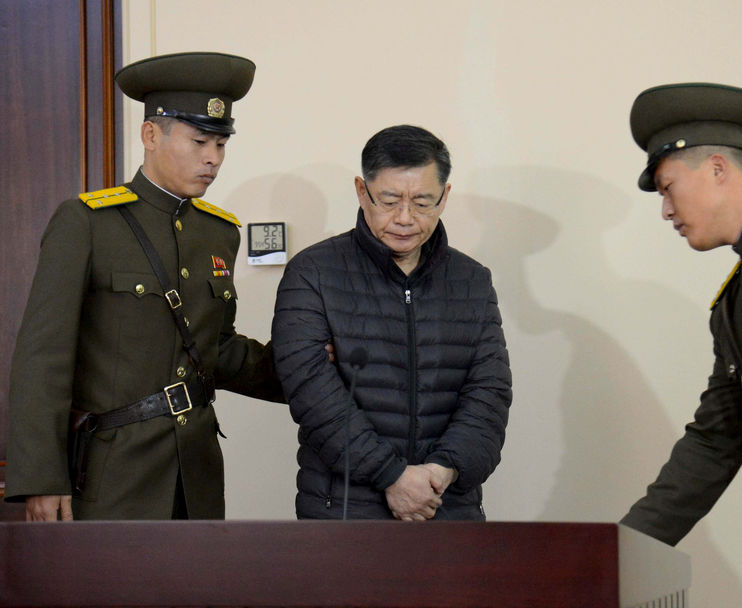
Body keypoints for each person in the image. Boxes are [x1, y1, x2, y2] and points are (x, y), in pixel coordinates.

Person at [4, 52, 286, 521]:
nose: (212, 159)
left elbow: (217, 350)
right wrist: (42, 478)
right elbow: (43, 357)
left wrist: (308, 367)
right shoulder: (87, 222)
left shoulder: (218, 233)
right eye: (199, 142)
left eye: (220, 144)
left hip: (196, 472)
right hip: (114, 474)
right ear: (151, 135)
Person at [271, 125, 512, 521]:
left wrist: (439, 473)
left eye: (422, 202)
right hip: (344, 510)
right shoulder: (313, 273)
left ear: (445, 197)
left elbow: (490, 392)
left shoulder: (472, 280)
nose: (405, 218)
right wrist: (391, 476)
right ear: (361, 191)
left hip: (447, 505)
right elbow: (311, 393)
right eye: (388, 200)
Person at [620, 82, 742, 546]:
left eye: (668, 188)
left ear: (717, 168)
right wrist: (619, 552)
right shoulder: (733, 309)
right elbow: (714, 444)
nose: (665, 211)